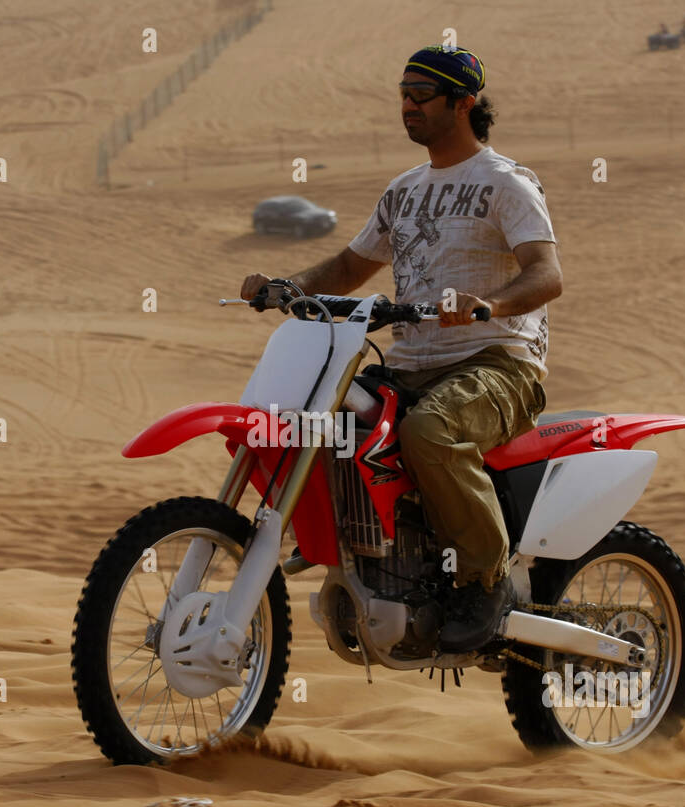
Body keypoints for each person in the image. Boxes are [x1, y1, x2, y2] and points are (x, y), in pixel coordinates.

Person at [240, 45, 562, 654]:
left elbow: (546, 274)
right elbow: (349, 265)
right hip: (413, 366)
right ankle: (349, 547)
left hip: (497, 363)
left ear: (463, 103)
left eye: (422, 94)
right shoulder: (405, 190)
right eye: (403, 94)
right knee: (327, 422)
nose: (408, 105)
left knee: (429, 432)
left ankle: (485, 579)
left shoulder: (504, 182)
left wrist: (487, 303)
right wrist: (290, 288)